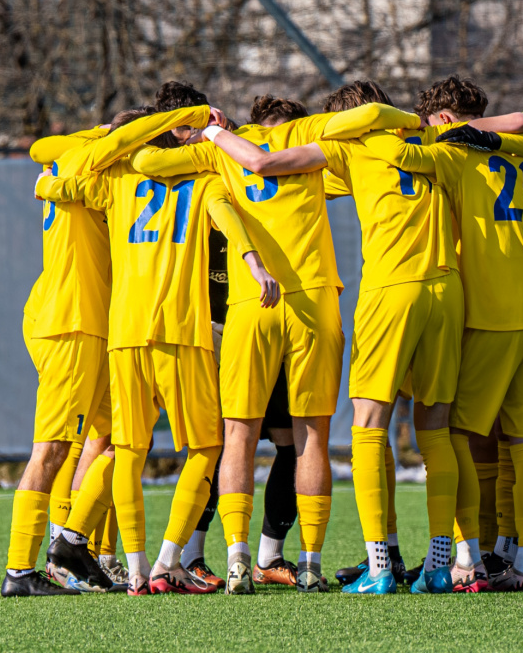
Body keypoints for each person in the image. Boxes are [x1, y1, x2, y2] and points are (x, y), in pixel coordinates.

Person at [194, 80, 523, 595]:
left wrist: (215, 135)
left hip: (391, 289)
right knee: (439, 431)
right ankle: (449, 560)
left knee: (369, 427)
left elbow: (262, 164)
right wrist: (471, 129)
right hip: (449, 290)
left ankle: (381, 565)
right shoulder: (432, 136)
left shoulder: (352, 145)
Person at [130, 88, 409, 593]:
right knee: (311, 437)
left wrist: (196, 127)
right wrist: (415, 123)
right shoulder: (311, 135)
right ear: (298, 121)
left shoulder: (224, 146)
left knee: (235, 435)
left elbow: (148, 161)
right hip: (314, 299)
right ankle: (309, 562)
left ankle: (236, 558)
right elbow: (365, 123)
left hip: (247, 305)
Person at [36, 85, 279, 596]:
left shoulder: (121, 178)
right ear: (183, 137)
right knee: (206, 447)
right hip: (180, 331)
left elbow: (59, 178)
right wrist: (256, 264)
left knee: (126, 449)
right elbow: (229, 220)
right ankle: (169, 561)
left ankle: (129, 565)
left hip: (124, 332)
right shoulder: (203, 177)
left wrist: (49, 185)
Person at [360, 112, 523, 592]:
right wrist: (505, 135)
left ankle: (466, 561)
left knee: (451, 432)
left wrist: (367, 130)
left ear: (444, 119)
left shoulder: (460, 159)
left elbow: (403, 155)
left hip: (492, 315)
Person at [1, 106, 196, 597]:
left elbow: (41, 149)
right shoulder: (96, 164)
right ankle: (22, 572)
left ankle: (73, 543)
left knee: (120, 435)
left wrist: (102, 135)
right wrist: (190, 116)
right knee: (52, 450)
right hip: (74, 322)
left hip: (68, 315)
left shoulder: (73, 157)